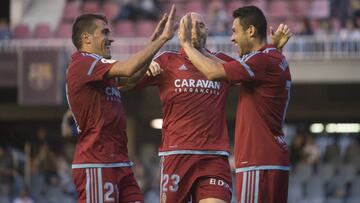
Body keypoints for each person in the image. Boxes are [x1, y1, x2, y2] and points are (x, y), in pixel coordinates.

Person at [125, 11, 291, 203]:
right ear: (180, 32)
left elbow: (257, 72)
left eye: (201, 25)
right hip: (177, 154)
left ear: (207, 32)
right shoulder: (166, 60)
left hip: (214, 157)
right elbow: (125, 83)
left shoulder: (220, 61)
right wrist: (146, 64)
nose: (195, 29)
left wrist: (274, 49)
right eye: (190, 25)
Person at [179, 6, 292, 203]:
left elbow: (214, 73)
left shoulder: (260, 60)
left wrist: (187, 46)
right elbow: (228, 68)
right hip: (274, 160)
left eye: (234, 31)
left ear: (250, 31)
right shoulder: (275, 58)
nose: (232, 38)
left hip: (258, 160)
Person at [65, 5, 177, 203]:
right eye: (104, 32)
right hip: (96, 163)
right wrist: (161, 40)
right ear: (86, 38)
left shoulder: (99, 69)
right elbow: (128, 69)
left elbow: (132, 78)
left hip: (120, 162)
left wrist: (151, 43)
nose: (111, 38)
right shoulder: (83, 63)